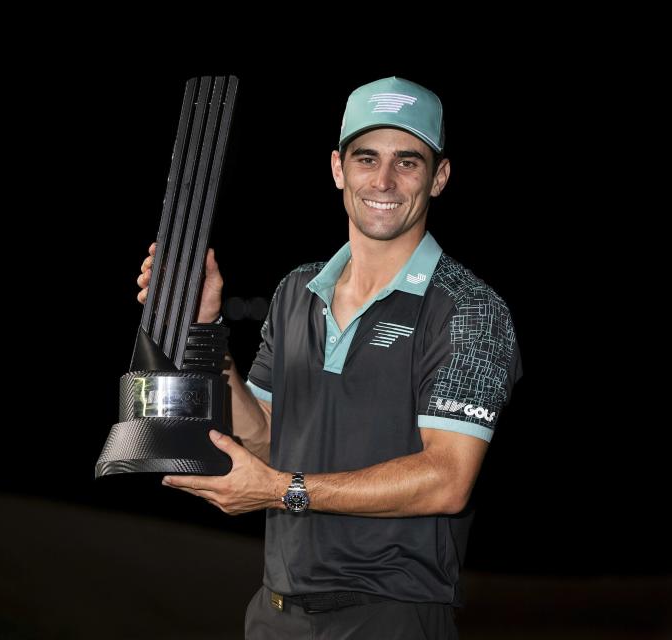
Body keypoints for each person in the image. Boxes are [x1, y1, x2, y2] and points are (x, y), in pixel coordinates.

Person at [137, 76, 522, 639]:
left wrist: (277, 491)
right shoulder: (298, 289)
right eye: (367, 159)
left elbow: (446, 479)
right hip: (274, 613)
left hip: (391, 616)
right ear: (339, 169)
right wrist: (206, 331)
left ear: (439, 177)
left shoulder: (469, 308)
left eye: (408, 162)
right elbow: (267, 437)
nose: (383, 181)